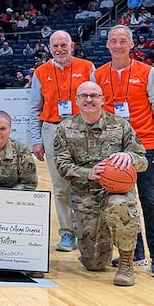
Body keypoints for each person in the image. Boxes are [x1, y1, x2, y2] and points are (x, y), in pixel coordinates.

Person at [53, 81, 147, 286]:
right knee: (94, 264)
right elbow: (62, 165)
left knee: (120, 205)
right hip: (85, 198)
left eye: (94, 95)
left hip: (116, 192)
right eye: (84, 95)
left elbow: (143, 160)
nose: (89, 99)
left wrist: (129, 156)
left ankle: (126, 263)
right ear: (76, 100)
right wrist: (89, 173)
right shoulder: (65, 128)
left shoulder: (120, 125)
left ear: (103, 99)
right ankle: (103, 237)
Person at [93, 25, 154, 269]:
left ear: (131, 45)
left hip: (146, 145)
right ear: (107, 44)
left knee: (150, 200)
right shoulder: (97, 75)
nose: (117, 45)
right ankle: (134, 254)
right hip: (113, 150)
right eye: (113, 41)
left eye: (122, 41)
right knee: (123, 202)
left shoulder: (148, 72)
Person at [29, 30, 94, 253]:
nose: (59, 49)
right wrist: (36, 139)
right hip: (52, 129)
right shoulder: (40, 72)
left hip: (83, 129)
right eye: (55, 46)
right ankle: (67, 233)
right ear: (49, 48)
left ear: (72, 46)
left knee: (86, 181)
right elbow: (33, 108)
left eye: (63, 45)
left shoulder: (87, 67)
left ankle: (87, 232)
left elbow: (97, 101)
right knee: (60, 185)